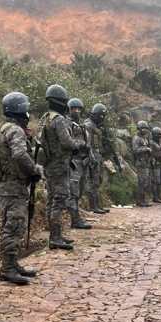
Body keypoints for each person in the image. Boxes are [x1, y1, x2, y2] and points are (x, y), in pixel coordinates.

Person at [0, 92, 43, 286]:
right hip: (12, 187)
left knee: (13, 225)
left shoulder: (3, 128)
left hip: (7, 187)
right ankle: (7, 269)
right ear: (20, 108)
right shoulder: (15, 130)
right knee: (13, 227)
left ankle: (12, 265)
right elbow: (20, 155)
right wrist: (34, 170)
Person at [36, 84, 81, 250]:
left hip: (48, 164)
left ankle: (55, 234)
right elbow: (66, 142)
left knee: (51, 200)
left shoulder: (45, 117)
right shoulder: (59, 120)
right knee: (59, 199)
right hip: (59, 165)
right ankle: (55, 237)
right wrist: (78, 145)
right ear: (62, 102)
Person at [66, 98, 92, 231]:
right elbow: (68, 142)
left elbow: (88, 143)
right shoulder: (67, 124)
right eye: (74, 109)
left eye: (79, 109)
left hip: (83, 161)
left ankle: (76, 217)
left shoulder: (81, 125)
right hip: (73, 161)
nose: (77, 111)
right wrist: (81, 144)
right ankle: (75, 219)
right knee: (73, 192)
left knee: (80, 190)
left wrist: (89, 155)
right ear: (69, 109)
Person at [84, 103, 110, 215]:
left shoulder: (95, 125)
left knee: (97, 180)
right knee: (93, 181)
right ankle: (93, 206)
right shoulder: (89, 125)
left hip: (97, 155)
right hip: (92, 156)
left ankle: (97, 205)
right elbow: (88, 144)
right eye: (101, 116)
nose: (102, 118)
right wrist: (92, 157)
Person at [132, 121, 153, 207]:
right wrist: (146, 149)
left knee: (146, 182)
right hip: (140, 163)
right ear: (139, 129)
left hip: (146, 163)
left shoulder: (145, 138)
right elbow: (135, 150)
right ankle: (140, 201)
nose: (145, 130)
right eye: (143, 128)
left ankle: (144, 200)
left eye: (146, 128)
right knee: (141, 182)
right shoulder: (136, 138)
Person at [150, 126, 161, 204]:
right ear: (154, 134)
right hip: (155, 164)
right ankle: (155, 197)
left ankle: (159, 196)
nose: (159, 136)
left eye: (160, 134)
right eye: (158, 134)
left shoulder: (160, 143)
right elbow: (152, 154)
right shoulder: (151, 143)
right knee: (156, 181)